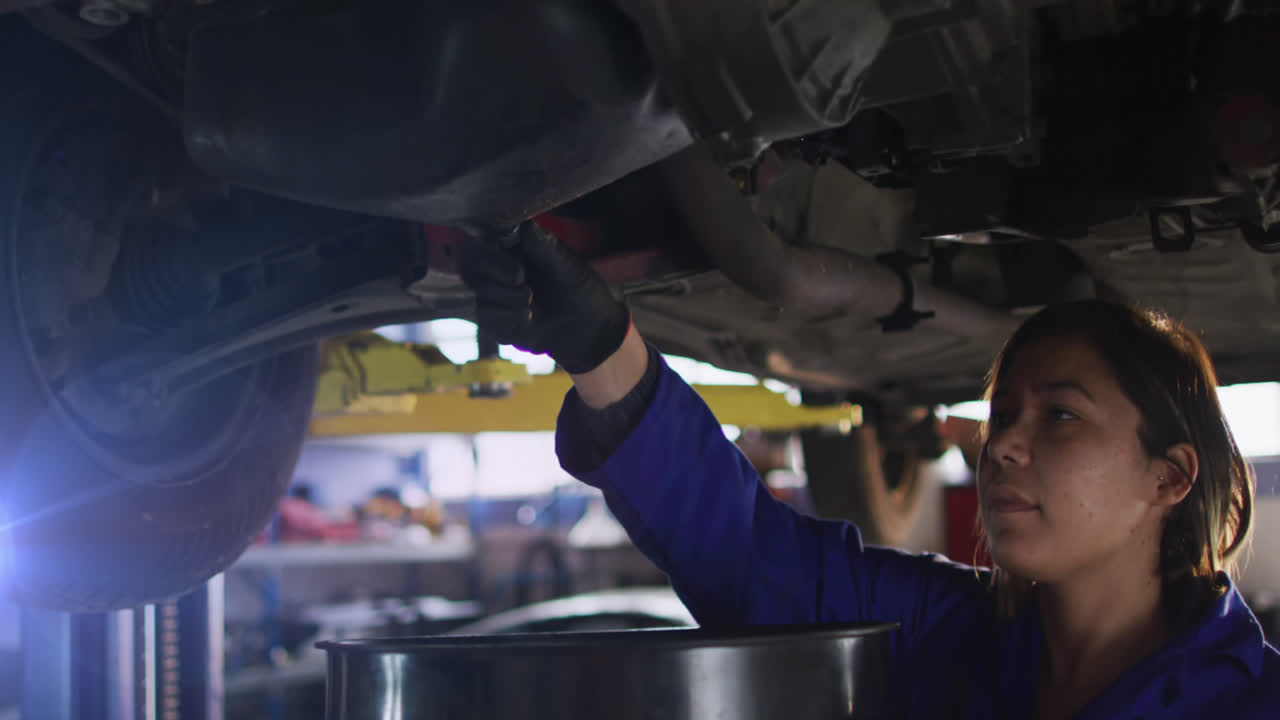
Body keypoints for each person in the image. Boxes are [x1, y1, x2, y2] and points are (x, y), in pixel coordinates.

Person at [460, 221, 1280, 719]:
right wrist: (600, 345)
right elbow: (748, 553)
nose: (1000, 446)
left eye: (1060, 415)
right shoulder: (943, 626)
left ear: (1169, 478)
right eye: (1002, 415)